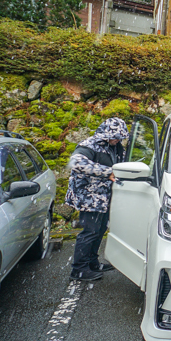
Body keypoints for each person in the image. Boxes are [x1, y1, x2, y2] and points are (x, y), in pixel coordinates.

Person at [65, 117, 129, 281]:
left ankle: (92, 262)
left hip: (104, 196)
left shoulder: (116, 147)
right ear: (105, 134)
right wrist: (107, 172)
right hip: (89, 196)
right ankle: (78, 269)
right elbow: (76, 163)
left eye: (120, 137)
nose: (118, 140)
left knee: (99, 230)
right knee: (89, 232)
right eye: (115, 137)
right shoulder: (89, 145)